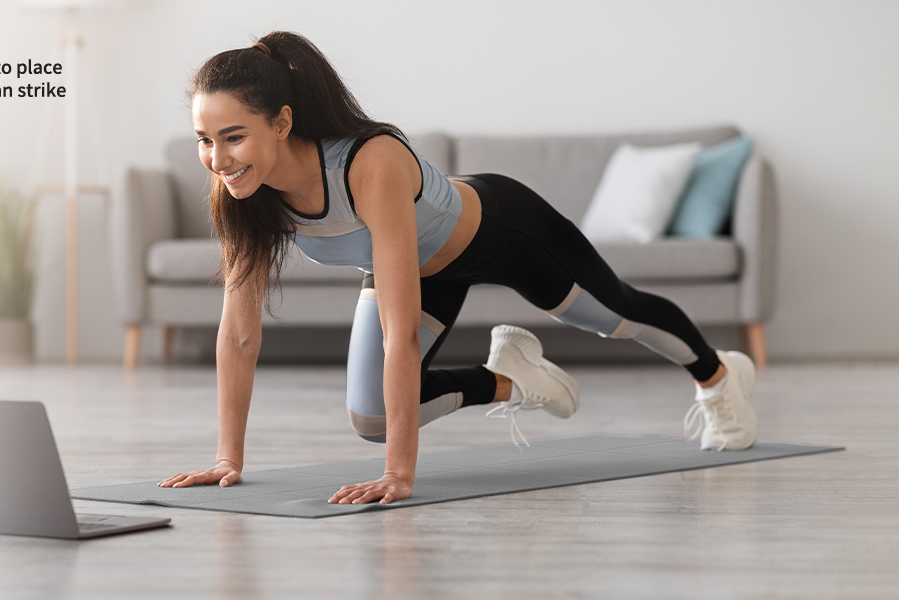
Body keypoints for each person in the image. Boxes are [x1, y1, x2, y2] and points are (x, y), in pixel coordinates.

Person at [156, 31, 758, 505]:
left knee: (614, 317)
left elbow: (397, 330)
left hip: (503, 232)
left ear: (281, 123)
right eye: (203, 140)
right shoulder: (242, 194)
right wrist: (227, 460)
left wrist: (398, 473)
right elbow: (237, 332)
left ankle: (719, 379)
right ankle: (516, 379)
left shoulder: (370, 162)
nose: (216, 158)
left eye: (232, 137)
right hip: (415, 269)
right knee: (371, 417)